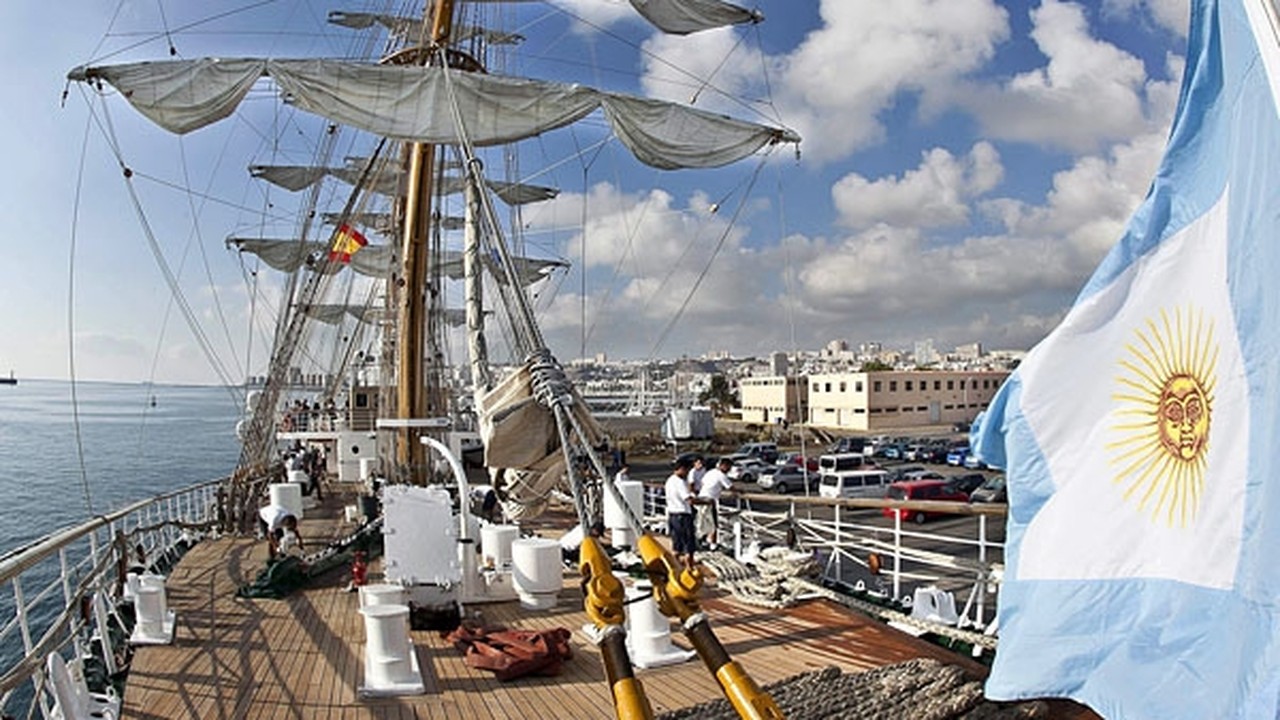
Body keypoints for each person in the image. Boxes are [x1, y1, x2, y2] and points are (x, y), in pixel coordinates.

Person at [664, 457, 700, 568]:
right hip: (682, 516)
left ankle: (676, 567)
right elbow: (689, 500)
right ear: (682, 469)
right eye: (687, 470)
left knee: (677, 545)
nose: (687, 473)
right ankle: (689, 568)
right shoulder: (680, 482)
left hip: (672, 515)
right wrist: (706, 502)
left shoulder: (670, 480)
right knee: (688, 546)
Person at [697, 457, 734, 550]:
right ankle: (713, 544)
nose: (729, 470)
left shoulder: (710, 472)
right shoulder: (721, 475)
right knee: (713, 522)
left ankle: (703, 541)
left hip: (701, 498)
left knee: (703, 521)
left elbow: (702, 482)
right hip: (709, 500)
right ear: (723, 466)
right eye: (728, 467)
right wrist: (741, 491)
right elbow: (730, 487)